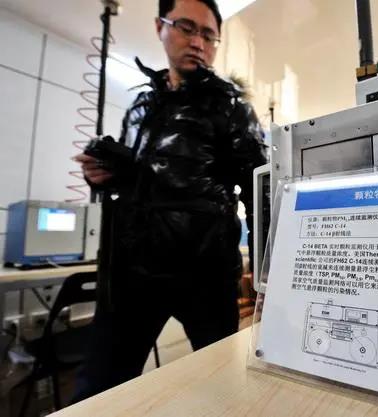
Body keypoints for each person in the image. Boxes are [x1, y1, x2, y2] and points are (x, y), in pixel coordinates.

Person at [73, 0, 266, 400]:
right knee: (100, 388)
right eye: (186, 27)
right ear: (160, 26)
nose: (198, 42)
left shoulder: (230, 107)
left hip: (205, 272)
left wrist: (268, 276)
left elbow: (259, 190)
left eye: (209, 35)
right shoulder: (140, 107)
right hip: (132, 270)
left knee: (223, 387)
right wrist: (103, 175)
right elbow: (136, 180)